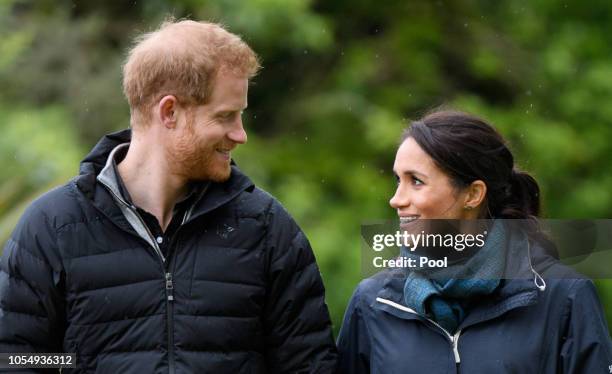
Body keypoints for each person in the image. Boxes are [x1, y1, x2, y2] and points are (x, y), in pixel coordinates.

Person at [0, 20, 337, 373]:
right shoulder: (51, 227)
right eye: (226, 116)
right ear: (169, 112)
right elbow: (18, 359)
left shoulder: (267, 229)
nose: (240, 134)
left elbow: (309, 365)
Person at [337, 110, 612, 373]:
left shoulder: (564, 296)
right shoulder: (373, 302)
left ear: (473, 194)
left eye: (416, 182)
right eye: (398, 180)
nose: (396, 199)